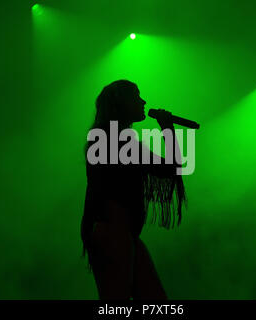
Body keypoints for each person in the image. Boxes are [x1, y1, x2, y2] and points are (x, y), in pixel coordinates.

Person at [80, 79, 186, 300]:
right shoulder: (114, 140)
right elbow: (172, 168)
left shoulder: (114, 139)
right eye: (136, 96)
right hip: (112, 231)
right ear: (122, 103)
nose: (143, 101)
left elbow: (171, 168)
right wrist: (167, 128)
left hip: (119, 233)